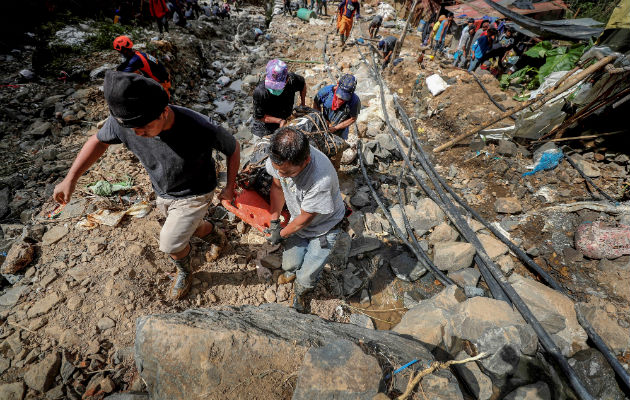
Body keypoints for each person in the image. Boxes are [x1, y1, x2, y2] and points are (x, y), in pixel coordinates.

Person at [53, 71, 240, 300]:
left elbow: (233, 148)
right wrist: (70, 179)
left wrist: (229, 187)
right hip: (162, 189)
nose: (137, 133)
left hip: (195, 191)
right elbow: (98, 141)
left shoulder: (198, 126)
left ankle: (184, 271)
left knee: (170, 243)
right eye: (132, 129)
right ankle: (217, 236)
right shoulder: (127, 122)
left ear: (164, 111)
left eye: (144, 127)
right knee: (187, 227)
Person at [265, 128, 345, 313]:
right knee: (290, 264)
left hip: (324, 227)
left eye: (287, 173)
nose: (281, 175)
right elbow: (277, 188)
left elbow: (305, 220)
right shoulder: (279, 162)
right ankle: (291, 273)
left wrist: (281, 234)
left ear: (306, 161)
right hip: (298, 218)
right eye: (278, 170)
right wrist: (274, 220)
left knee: (308, 275)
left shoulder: (320, 180)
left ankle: (301, 292)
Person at [252, 59, 306, 138]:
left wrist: (303, 104)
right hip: (264, 128)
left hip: (285, 119)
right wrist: (279, 121)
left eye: (277, 86)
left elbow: (302, 84)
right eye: (272, 85)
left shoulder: (292, 80)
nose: (274, 88)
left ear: (287, 80)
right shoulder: (260, 92)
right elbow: (260, 117)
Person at [312, 73, 360, 141]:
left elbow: (353, 118)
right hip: (324, 121)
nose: (340, 101)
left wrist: (336, 128)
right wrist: (321, 120)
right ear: (337, 84)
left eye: (344, 98)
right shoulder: (325, 92)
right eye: (339, 96)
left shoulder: (354, 101)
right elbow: (316, 103)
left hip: (341, 128)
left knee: (338, 145)